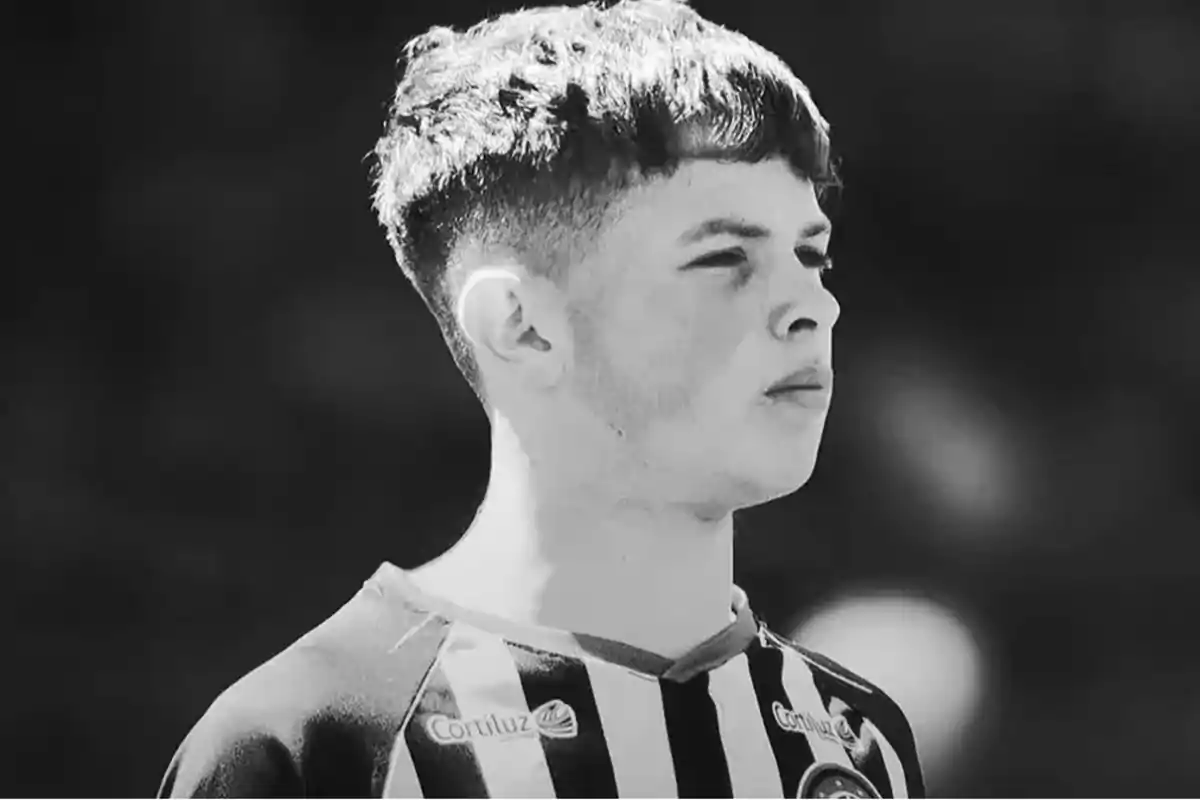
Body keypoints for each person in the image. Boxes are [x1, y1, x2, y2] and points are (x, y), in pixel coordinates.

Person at [158, 1, 925, 796]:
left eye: (811, 254)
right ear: (521, 327)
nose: (812, 305)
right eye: (725, 257)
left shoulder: (860, 739)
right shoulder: (307, 742)